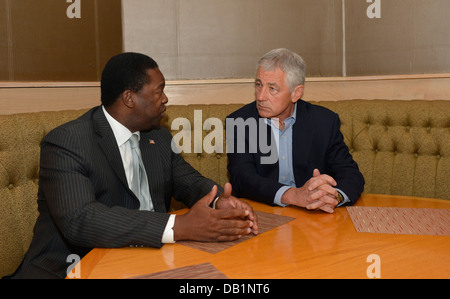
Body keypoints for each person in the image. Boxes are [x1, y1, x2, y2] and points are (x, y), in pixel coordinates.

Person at [12, 52, 258, 279]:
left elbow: (188, 180)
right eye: (159, 91)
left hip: (149, 264)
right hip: (73, 270)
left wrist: (218, 200)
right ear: (129, 98)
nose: (165, 99)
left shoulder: (158, 137)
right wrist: (179, 226)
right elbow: (81, 220)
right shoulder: (68, 142)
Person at [226, 48, 364, 213]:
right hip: (263, 212)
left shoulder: (324, 121)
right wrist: (292, 195)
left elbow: (351, 175)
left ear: (296, 93)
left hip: (315, 215)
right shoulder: (240, 121)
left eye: (272, 89)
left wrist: (334, 197)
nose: (261, 96)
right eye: (259, 85)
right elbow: (242, 178)